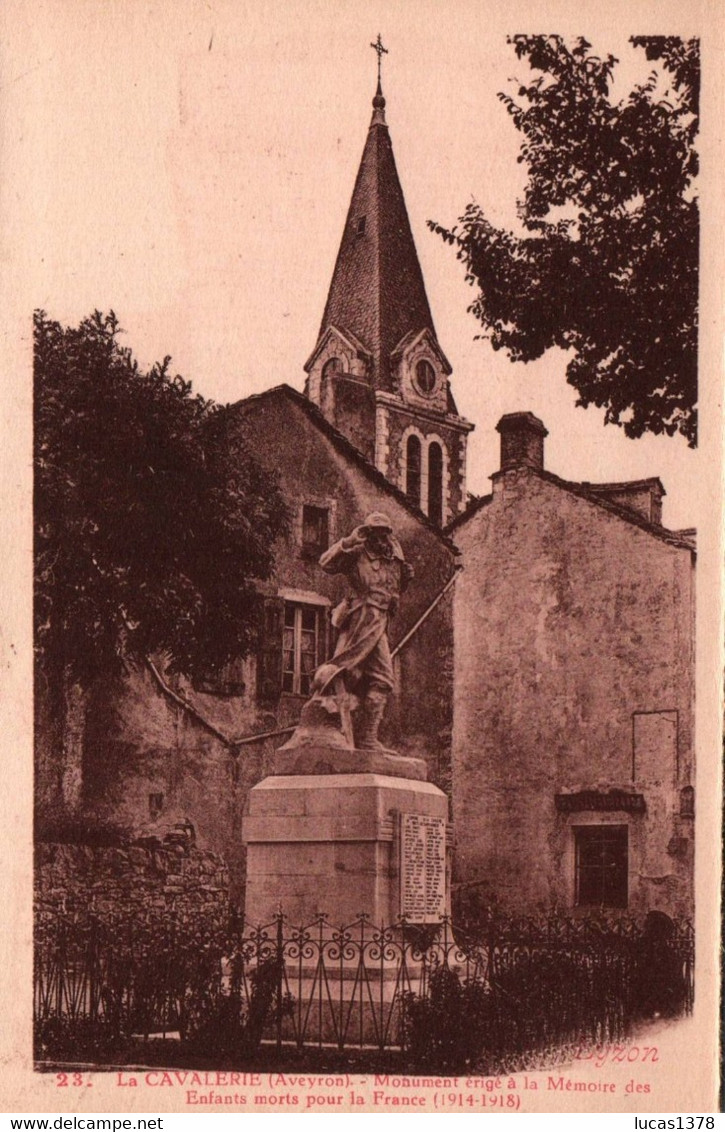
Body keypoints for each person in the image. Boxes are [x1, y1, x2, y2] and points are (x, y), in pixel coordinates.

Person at [312, 512, 413, 750]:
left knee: (380, 680)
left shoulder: (393, 561)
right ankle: (332, 725)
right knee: (353, 673)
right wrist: (348, 542)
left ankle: (366, 737)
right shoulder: (356, 553)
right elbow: (326, 563)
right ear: (367, 533)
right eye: (375, 532)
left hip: (380, 622)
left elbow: (393, 593)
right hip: (361, 620)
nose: (381, 538)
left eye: (385, 533)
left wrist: (405, 579)